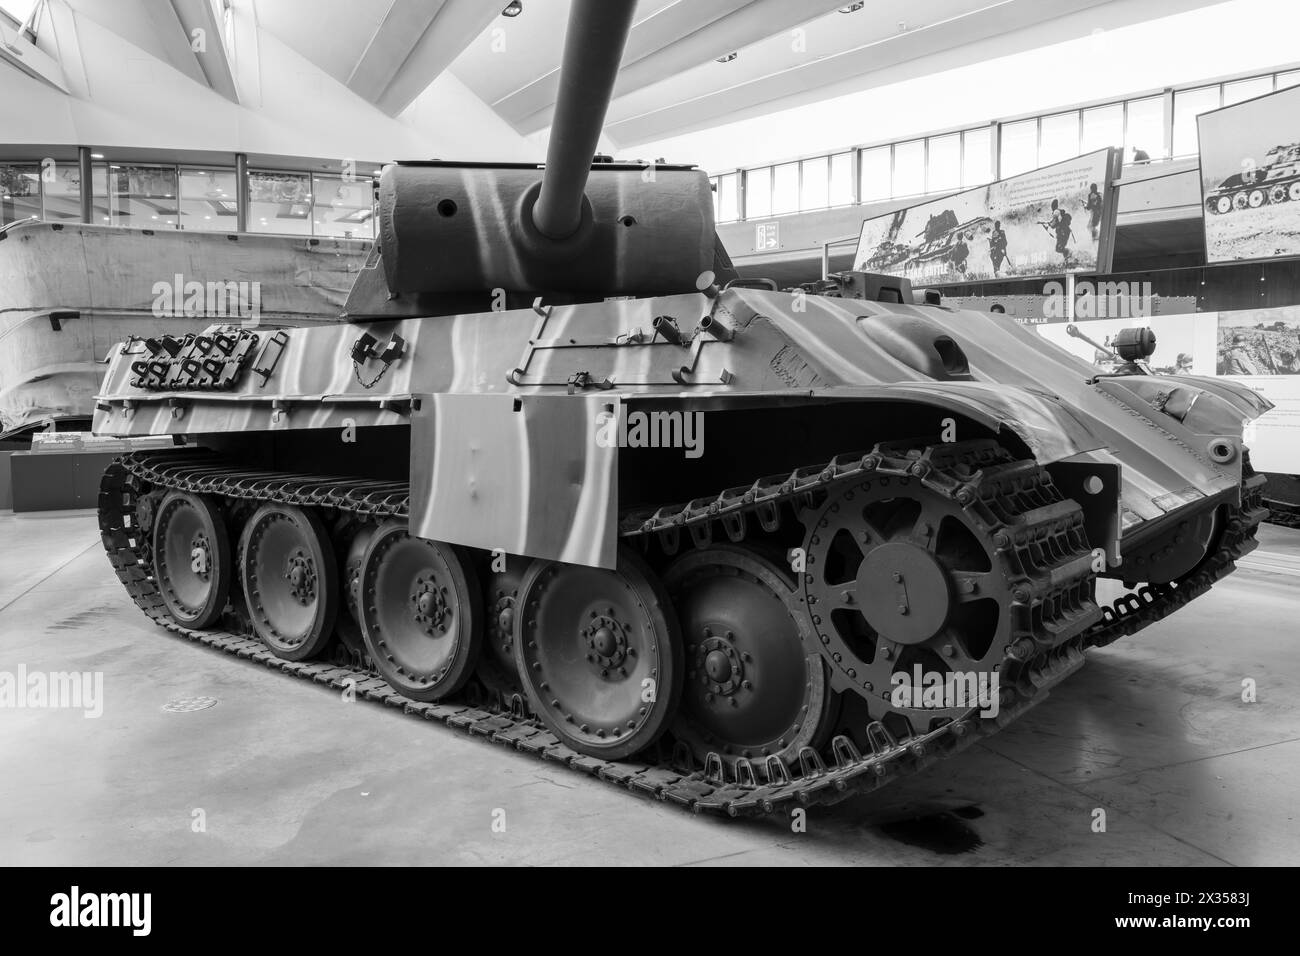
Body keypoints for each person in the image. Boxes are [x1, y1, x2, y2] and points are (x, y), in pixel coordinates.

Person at [1046, 199, 1073, 267]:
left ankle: (1069, 252)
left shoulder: (1055, 212)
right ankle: (1067, 261)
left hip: (1062, 232)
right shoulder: (1059, 211)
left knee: (1058, 248)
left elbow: (1053, 225)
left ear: (1053, 206)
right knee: (1060, 247)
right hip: (1066, 231)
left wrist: (1049, 225)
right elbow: (1056, 221)